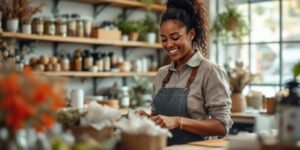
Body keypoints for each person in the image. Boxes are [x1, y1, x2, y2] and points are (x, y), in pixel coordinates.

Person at [136, 0, 233, 145]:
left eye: (175, 37)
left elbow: (222, 126)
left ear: (191, 34)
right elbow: (158, 118)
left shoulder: (210, 71)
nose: (168, 44)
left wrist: (178, 122)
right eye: (164, 39)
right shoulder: (162, 74)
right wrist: (148, 118)